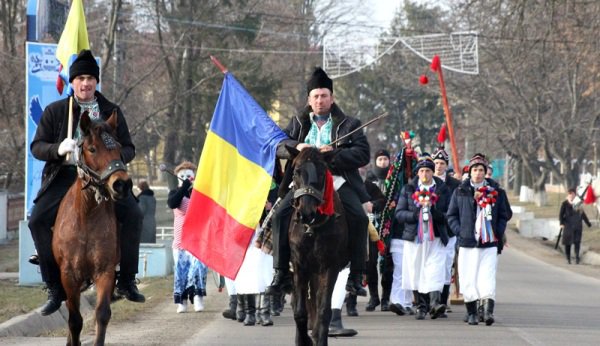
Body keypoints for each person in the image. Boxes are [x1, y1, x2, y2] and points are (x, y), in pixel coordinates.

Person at [28, 49, 145, 316]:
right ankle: (54, 286)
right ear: (72, 82)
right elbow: (37, 146)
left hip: (103, 176)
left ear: (96, 81)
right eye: (80, 77)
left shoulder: (111, 111)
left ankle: (126, 279)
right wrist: (59, 149)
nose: (85, 83)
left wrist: (114, 159)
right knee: (36, 220)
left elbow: (129, 148)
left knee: (135, 215)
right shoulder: (56, 111)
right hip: (65, 175)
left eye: (90, 77)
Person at [266, 67, 371, 298]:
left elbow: (363, 154)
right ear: (309, 100)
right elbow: (278, 146)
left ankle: (356, 275)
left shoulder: (350, 124)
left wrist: (334, 153)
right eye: (316, 96)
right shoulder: (297, 123)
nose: (320, 100)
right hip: (304, 182)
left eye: (324, 96)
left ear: (332, 98)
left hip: (336, 180)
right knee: (280, 215)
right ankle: (281, 272)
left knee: (360, 217)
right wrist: (298, 146)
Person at [447, 153, 512, 326]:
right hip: (467, 242)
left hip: (488, 242)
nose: (478, 173)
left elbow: (504, 215)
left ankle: (488, 311)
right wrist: (460, 231)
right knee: (468, 277)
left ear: (485, 172)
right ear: (470, 171)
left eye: (481, 170)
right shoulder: (460, 191)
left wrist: (496, 232)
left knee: (487, 276)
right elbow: (451, 215)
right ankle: (472, 313)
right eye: (475, 170)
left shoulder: (496, 191)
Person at [395, 153, 451, 320]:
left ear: (432, 172)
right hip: (415, 237)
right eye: (422, 171)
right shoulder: (409, 189)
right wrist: (415, 215)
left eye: (428, 171)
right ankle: (421, 306)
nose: (425, 174)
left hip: (436, 237)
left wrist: (435, 212)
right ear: (417, 173)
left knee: (435, 269)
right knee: (416, 270)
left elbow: (449, 213)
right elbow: (399, 213)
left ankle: (435, 304)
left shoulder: (442, 189)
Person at [167, 161, 207, 313]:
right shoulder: (175, 193)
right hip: (180, 241)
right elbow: (173, 203)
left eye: (188, 176)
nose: (185, 178)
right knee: (181, 271)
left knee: (197, 269)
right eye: (182, 176)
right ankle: (182, 301)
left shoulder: (199, 193)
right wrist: (184, 187)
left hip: (197, 239)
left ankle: (198, 297)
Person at [432, 147, 460, 315]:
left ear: (446, 165)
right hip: (431, 231)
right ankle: (429, 301)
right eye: (436, 163)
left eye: (442, 163)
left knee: (446, 266)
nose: (439, 166)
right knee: (431, 266)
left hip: (448, 231)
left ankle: (442, 301)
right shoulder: (426, 180)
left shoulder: (454, 185)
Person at [364, 149, 393, 312]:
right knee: (370, 262)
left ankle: (386, 299)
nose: (383, 162)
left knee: (388, 263)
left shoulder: (394, 179)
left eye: (385, 159)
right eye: (380, 159)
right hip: (371, 226)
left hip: (388, 225)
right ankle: (373, 296)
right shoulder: (368, 180)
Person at [559, 188, 592, 264]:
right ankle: (568, 258)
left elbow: (582, 214)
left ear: (575, 194)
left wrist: (588, 223)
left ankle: (577, 257)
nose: (571, 195)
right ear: (568, 195)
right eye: (569, 194)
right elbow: (561, 215)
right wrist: (561, 223)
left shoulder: (578, 204)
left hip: (577, 226)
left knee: (577, 242)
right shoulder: (564, 204)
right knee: (568, 243)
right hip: (568, 226)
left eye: (572, 194)